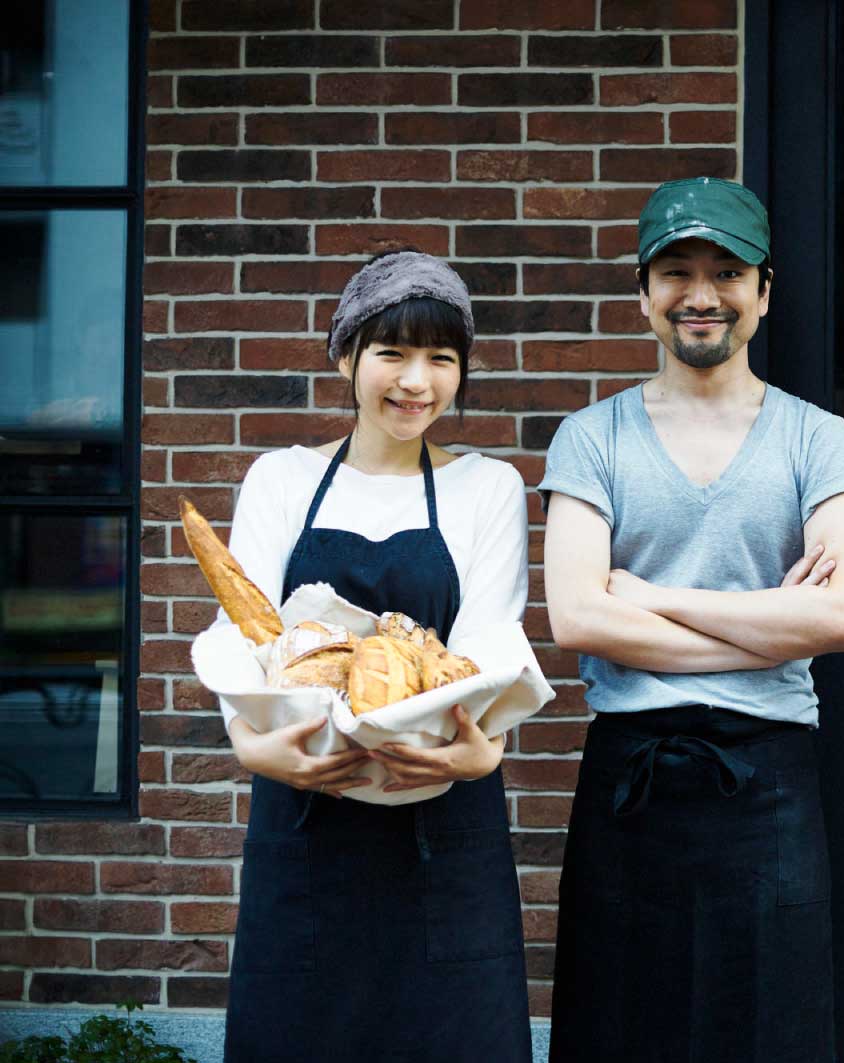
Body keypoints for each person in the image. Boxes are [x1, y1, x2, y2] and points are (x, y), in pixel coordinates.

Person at [540, 178, 844, 1062]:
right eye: (676, 271)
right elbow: (576, 615)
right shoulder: (590, 439)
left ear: (764, 292)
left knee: (770, 1035)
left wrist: (647, 597)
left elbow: (842, 618)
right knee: (618, 1030)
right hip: (629, 779)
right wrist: (771, 618)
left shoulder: (819, 438)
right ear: (643, 293)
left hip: (769, 777)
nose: (701, 294)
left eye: (726, 270)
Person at [215, 251, 532, 1063]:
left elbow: (490, 643)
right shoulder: (280, 480)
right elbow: (245, 641)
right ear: (346, 355)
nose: (416, 381)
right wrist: (252, 745)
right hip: (308, 810)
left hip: (442, 821)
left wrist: (479, 750)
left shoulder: (487, 487)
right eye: (392, 352)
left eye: (442, 358)